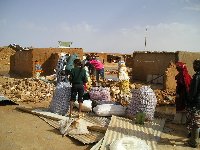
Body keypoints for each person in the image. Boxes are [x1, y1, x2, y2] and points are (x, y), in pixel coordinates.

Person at [186, 59, 200, 148]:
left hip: (196, 103)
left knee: (195, 122)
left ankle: (193, 142)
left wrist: (189, 100)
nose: (193, 67)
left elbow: (193, 92)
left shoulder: (197, 77)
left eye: (195, 65)